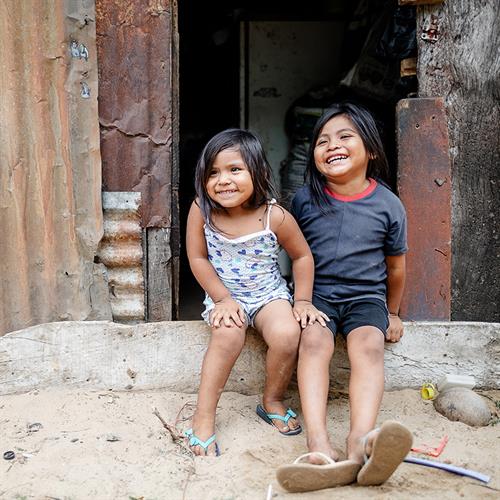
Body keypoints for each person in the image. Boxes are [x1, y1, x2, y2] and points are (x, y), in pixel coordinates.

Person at [277, 102, 412, 492]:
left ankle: (359, 443)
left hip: (366, 297)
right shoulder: (304, 201)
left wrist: (393, 312)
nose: (331, 145)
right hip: (317, 295)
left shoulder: (389, 205)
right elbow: (290, 252)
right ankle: (318, 444)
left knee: (369, 346)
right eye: (322, 140)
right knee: (315, 342)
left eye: (344, 137)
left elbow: (396, 268)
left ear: (371, 150)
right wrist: (296, 299)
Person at [185, 128, 328, 456]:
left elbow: (302, 256)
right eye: (213, 173)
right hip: (224, 294)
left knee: (287, 333)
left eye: (235, 170)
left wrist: (302, 300)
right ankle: (203, 417)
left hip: (268, 294)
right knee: (228, 335)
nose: (223, 180)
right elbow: (197, 257)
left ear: (259, 172)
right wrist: (222, 298)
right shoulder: (202, 210)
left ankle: (272, 400)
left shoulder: (274, 216)